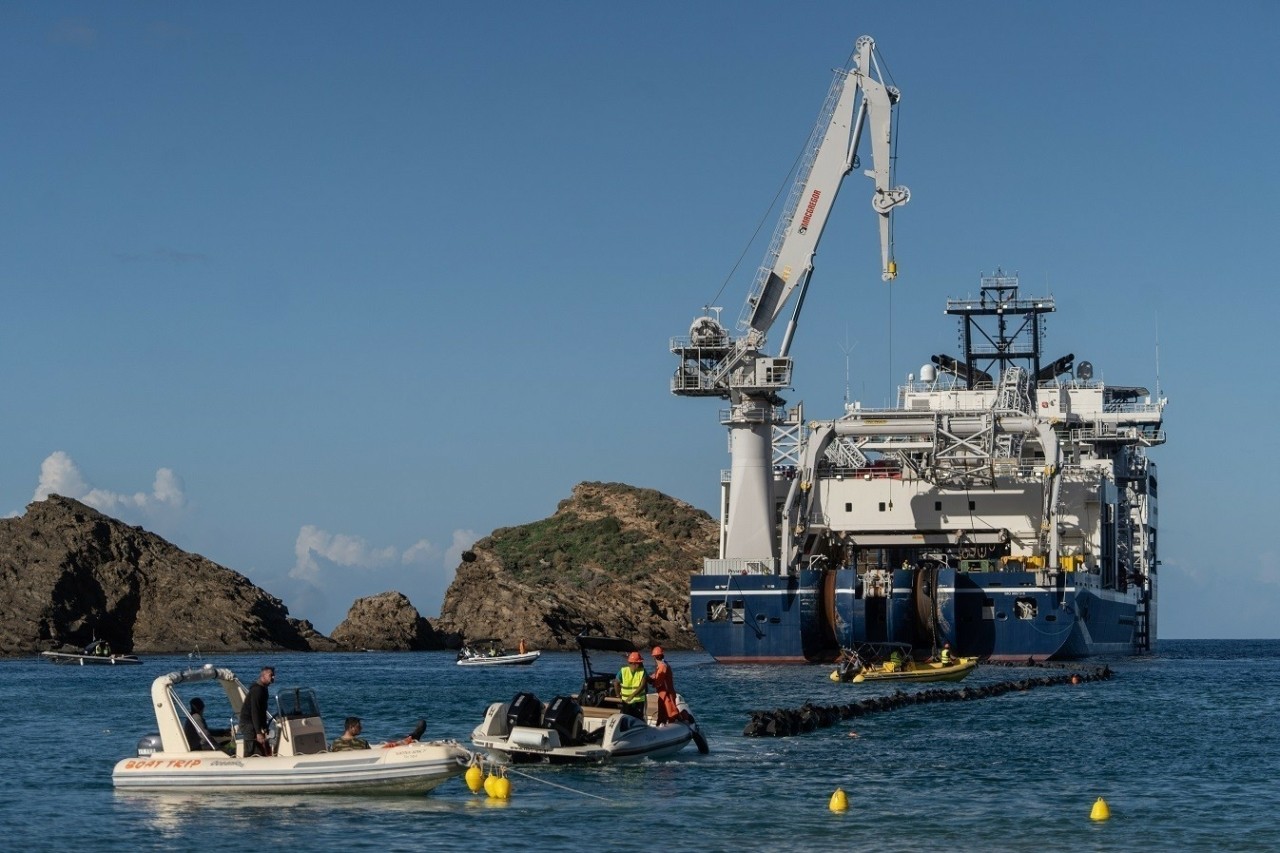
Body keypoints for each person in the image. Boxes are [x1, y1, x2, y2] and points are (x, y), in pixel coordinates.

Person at [239, 665, 275, 757]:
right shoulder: (257, 690)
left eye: (273, 675)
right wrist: (258, 732)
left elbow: (262, 711)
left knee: (262, 748)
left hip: (255, 723)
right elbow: (255, 711)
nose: (273, 677)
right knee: (250, 750)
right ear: (263, 676)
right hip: (248, 723)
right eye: (271, 675)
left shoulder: (264, 689)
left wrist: (264, 726)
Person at [648, 646, 683, 725]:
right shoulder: (663, 665)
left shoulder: (662, 666)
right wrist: (651, 677)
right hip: (665, 693)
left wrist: (650, 681)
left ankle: (682, 718)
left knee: (671, 714)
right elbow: (657, 676)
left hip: (667, 694)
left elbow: (659, 681)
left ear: (655, 657)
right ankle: (662, 723)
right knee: (663, 713)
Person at [613, 651, 649, 719]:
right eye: (639, 662)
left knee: (627, 719)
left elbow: (616, 683)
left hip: (631, 700)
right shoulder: (642, 671)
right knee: (637, 719)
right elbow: (643, 685)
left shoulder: (623, 671)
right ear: (635, 663)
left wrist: (618, 695)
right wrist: (630, 696)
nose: (641, 663)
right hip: (636, 701)